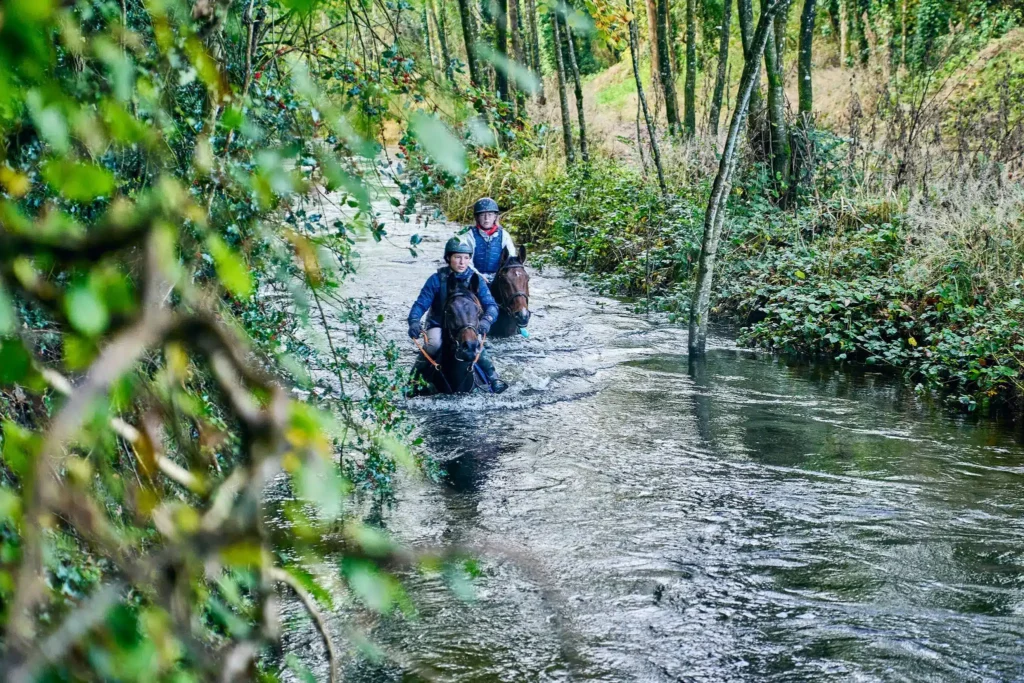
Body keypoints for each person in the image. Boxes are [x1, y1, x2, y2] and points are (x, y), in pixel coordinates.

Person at [407, 238, 509, 394]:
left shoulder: (476, 281)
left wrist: (486, 321)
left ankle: (494, 378)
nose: (462, 262)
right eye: (457, 257)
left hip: (468, 325)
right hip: (439, 324)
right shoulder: (436, 279)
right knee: (433, 344)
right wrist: (414, 321)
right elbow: (420, 305)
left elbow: (491, 306)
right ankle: (413, 380)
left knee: (477, 344)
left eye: (466, 258)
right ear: (449, 258)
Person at [457, 197, 516, 282]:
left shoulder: (504, 235)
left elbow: (511, 259)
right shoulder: (469, 235)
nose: (486, 218)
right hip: (474, 277)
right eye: (482, 215)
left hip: (498, 278)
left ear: (495, 216)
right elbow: (466, 262)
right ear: (477, 217)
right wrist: (478, 276)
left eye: (490, 214)